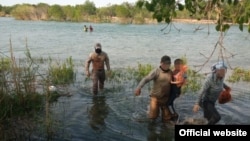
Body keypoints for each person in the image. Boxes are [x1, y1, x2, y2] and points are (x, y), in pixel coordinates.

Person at [134, 55, 173, 123]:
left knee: (167, 119)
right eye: (165, 63)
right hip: (155, 98)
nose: (167, 65)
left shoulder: (171, 72)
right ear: (161, 63)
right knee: (152, 118)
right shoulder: (156, 71)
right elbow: (146, 79)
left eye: (168, 64)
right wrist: (138, 88)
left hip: (165, 99)